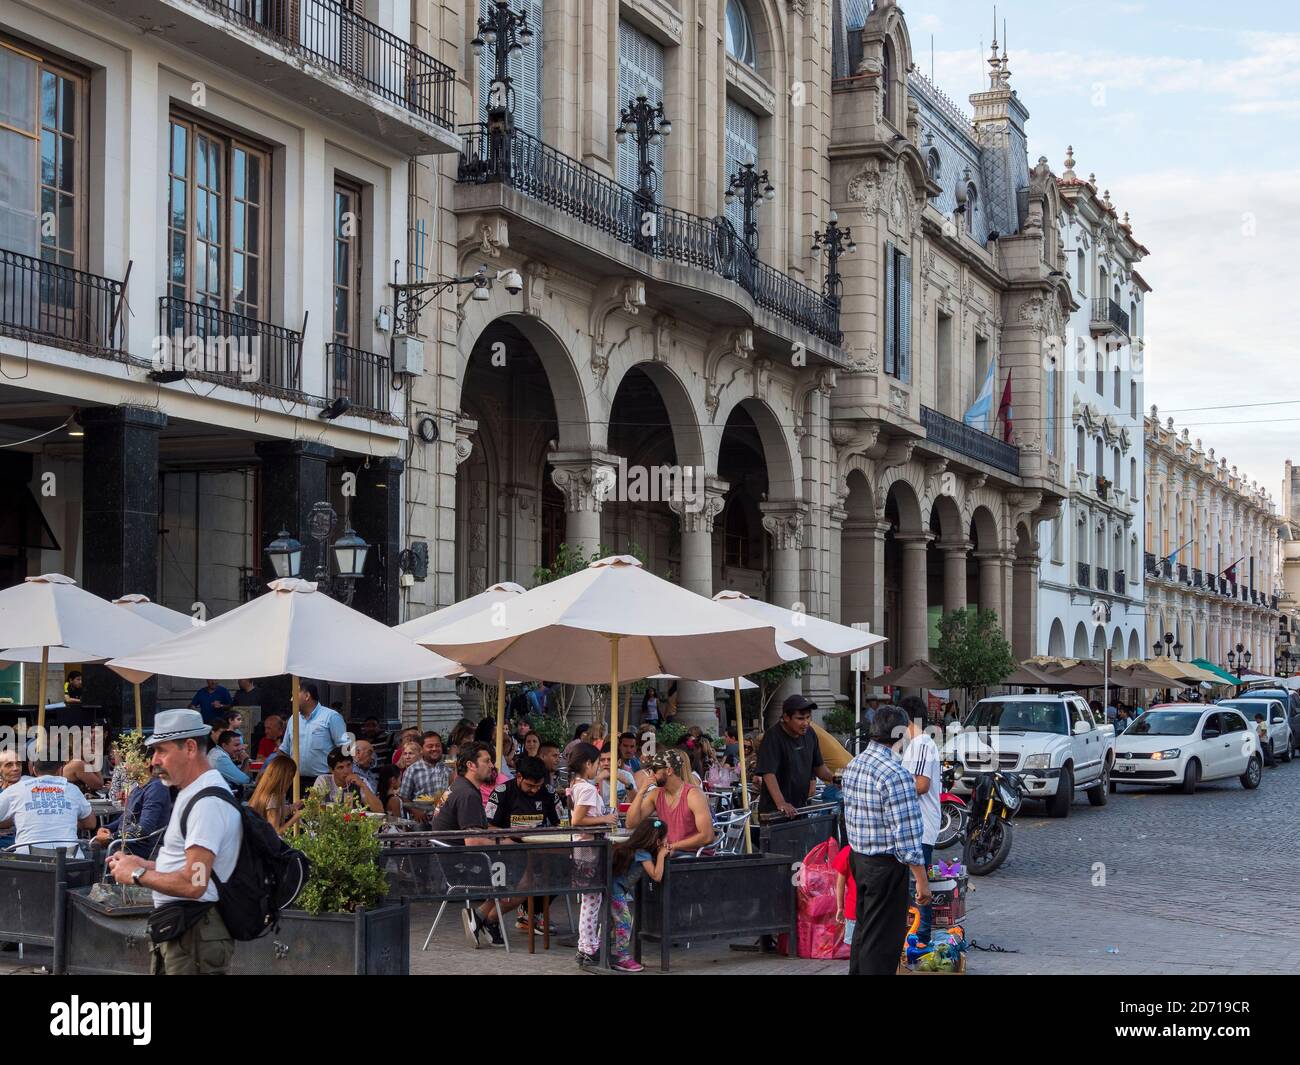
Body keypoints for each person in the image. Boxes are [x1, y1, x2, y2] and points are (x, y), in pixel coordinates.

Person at [107, 709, 243, 975]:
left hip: (194, 933)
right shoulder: (192, 792)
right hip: (186, 930)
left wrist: (136, 873)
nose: (154, 760)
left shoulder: (206, 802)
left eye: (162, 751)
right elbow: (191, 866)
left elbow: (194, 882)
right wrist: (146, 863)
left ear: (190, 747)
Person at [840, 704, 931, 975]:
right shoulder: (896, 773)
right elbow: (907, 836)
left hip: (860, 859)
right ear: (900, 734)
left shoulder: (854, 765)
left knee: (865, 931)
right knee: (882, 942)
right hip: (885, 867)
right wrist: (922, 880)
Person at [431, 742, 518, 948]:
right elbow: (473, 841)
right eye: (486, 761)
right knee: (525, 877)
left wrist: (504, 834)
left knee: (518, 861)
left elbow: (479, 829)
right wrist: (505, 842)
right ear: (471, 765)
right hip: (461, 865)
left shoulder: (461, 786)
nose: (492, 766)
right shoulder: (468, 794)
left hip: (452, 859)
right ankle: (485, 919)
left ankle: (480, 917)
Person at [569, 742, 618, 968]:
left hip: (582, 849)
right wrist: (605, 819)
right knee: (592, 901)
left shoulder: (577, 784)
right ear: (588, 764)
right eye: (597, 764)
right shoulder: (587, 789)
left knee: (589, 900)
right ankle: (589, 947)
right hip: (589, 849)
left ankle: (586, 944)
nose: (599, 768)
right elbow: (578, 820)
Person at [0, 743, 97, 854]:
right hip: (69, 862)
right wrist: (63, 818)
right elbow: (91, 824)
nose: (15, 768)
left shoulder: (16, 790)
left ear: (34, 770)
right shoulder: (72, 789)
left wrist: (21, 818)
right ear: (61, 770)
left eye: (18, 764)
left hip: (28, 864)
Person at [900, 695, 941, 945]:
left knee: (919, 882)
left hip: (922, 824)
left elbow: (922, 784)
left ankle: (922, 935)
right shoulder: (913, 745)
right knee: (912, 881)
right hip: (913, 823)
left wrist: (894, 786)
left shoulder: (923, 744)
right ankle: (913, 932)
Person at [608, 816, 670, 973]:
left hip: (614, 889)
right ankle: (623, 958)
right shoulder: (643, 854)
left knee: (615, 922)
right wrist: (662, 855)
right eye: (664, 837)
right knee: (624, 921)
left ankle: (609, 953)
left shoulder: (638, 850)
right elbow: (656, 876)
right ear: (656, 840)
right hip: (615, 891)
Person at [756, 694, 834, 817]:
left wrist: (834, 779)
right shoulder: (773, 737)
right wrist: (782, 803)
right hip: (775, 812)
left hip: (801, 807)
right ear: (786, 717)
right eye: (800, 718)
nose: (806, 723)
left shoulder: (810, 734)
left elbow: (819, 767)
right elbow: (768, 773)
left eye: (808, 717)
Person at [626, 750, 714, 854]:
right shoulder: (656, 793)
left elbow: (707, 836)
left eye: (654, 770)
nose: (651, 774)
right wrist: (641, 791)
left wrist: (673, 846)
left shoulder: (693, 795)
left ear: (669, 771)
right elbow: (630, 823)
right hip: (668, 852)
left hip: (693, 854)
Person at [278, 681, 347, 790]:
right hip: (296, 781)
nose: (291, 699)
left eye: (294, 695)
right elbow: (284, 750)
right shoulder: (293, 719)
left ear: (307, 696)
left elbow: (346, 748)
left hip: (324, 780)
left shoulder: (331, 717)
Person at [95, 766, 173, 857]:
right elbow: (125, 817)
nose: (125, 766)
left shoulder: (156, 788)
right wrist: (106, 828)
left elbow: (145, 827)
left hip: (138, 850)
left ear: (146, 763)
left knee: (87, 855)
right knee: (85, 849)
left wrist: (112, 836)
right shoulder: (137, 789)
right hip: (124, 846)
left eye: (131, 761)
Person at [312, 747, 383, 812]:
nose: (346, 771)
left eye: (349, 765)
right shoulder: (323, 780)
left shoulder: (360, 781)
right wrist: (339, 809)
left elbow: (379, 809)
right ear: (331, 770)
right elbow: (311, 807)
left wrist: (363, 785)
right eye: (340, 767)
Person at [399, 732, 452, 817]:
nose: (434, 749)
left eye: (437, 745)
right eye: (430, 746)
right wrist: (415, 811)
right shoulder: (412, 770)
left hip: (447, 817)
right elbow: (404, 797)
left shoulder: (450, 765)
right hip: (423, 819)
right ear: (422, 749)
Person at [248, 756, 303, 835]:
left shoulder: (263, 790)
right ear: (284, 777)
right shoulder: (274, 798)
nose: (291, 782)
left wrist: (292, 807)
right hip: (266, 844)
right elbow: (275, 834)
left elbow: (275, 813)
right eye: (291, 777)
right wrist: (295, 818)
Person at [832, 842, 858, 949]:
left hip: (853, 908)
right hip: (874, 908)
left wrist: (840, 907)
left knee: (854, 948)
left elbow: (840, 883)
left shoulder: (847, 852)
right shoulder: (876, 852)